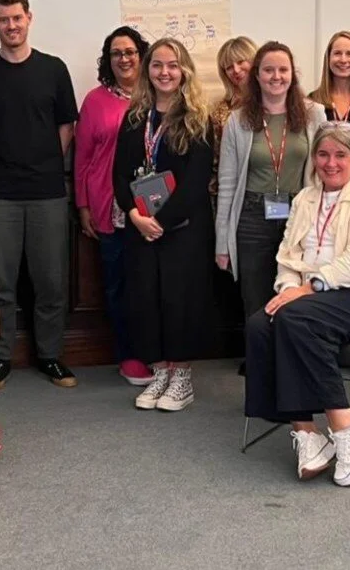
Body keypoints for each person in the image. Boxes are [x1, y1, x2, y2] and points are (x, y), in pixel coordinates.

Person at [245, 122, 350, 486]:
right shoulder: (304, 199)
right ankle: (307, 433)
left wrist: (308, 288)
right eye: (322, 154)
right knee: (260, 324)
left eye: (340, 155)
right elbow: (288, 255)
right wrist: (288, 289)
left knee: (296, 318)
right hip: (313, 299)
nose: (330, 163)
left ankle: (345, 423)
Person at [0, 0, 79, 391]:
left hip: (47, 189)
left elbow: (67, 127)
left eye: (17, 17)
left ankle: (50, 356)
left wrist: (40, 158)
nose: (11, 25)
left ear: (29, 17)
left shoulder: (54, 69)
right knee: (1, 282)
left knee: (50, 280)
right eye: (3, 19)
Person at [112, 38, 215, 412]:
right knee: (146, 299)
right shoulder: (135, 117)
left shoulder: (197, 118)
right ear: (147, 70)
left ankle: (181, 376)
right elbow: (120, 175)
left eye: (172, 65)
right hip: (142, 228)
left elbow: (196, 180)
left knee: (179, 299)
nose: (164, 72)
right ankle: (159, 372)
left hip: (184, 228)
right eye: (157, 65)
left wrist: (161, 220)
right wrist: (137, 216)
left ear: (184, 70)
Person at [217, 41, 327, 325]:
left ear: (293, 74)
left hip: (299, 213)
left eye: (282, 70)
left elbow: (324, 170)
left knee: (295, 290)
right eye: (268, 70)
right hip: (252, 217)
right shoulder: (238, 120)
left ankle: (288, 355)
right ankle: (259, 358)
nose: (276, 76)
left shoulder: (314, 114)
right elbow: (226, 184)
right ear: (256, 75)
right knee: (254, 294)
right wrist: (222, 243)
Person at [75, 26, 154, 386]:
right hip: (110, 207)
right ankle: (130, 356)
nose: (124, 59)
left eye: (130, 52)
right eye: (116, 53)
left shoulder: (160, 95)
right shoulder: (95, 100)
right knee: (118, 285)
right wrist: (84, 206)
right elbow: (83, 157)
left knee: (153, 284)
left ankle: (158, 352)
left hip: (153, 206)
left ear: (142, 55)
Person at [307, 30, 350, 176]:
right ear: (328, 59)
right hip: (324, 182)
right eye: (337, 53)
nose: (343, 59)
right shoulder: (312, 102)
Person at [209, 36, 257, 197]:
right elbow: (215, 161)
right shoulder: (219, 111)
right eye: (228, 67)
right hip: (233, 192)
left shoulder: (274, 103)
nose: (236, 70)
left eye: (241, 61)